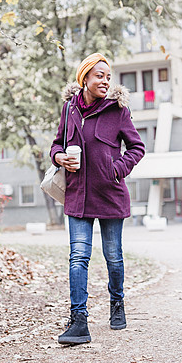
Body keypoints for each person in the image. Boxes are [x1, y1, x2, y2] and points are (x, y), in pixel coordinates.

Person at [50, 53, 146, 345]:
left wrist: (116, 169)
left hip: (110, 194)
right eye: (99, 76)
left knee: (113, 257)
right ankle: (79, 320)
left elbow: (137, 148)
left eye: (108, 76)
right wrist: (59, 157)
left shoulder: (118, 110)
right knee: (78, 257)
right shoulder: (69, 109)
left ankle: (117, 303)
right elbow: (56, 144)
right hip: (78, 195)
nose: (105, 81)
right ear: (85, 79)